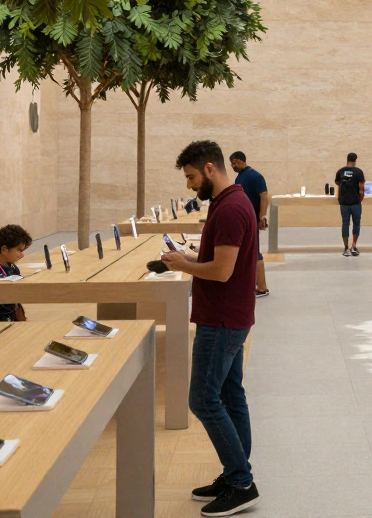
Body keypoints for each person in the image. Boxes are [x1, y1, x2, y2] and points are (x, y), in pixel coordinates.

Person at [160, 140, 260, 517]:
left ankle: (241, 482)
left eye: (190, 177)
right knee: (231, 395)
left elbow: (222, 271)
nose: (189, 186)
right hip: (228, 315)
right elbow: (218, 260)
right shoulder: (227, 203)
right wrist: (188, 258)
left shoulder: (232, 207)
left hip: (221, 320)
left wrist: (183, 266)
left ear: (209, 169)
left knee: (202, 400)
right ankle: (235, 473)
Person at [229, 151, 271, 297]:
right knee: (248, 251)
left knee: (254, 251)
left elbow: (264, 196)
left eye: (234, 162)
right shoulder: (239, 177)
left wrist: (262, 216)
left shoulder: (256, 176)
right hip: (244, 220)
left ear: (241, 161)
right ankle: (251, 285)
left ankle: (262, 287)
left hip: (252, 219)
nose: (232, 166)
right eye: (231, 163)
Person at [0, 224, 32, 321]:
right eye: (19, 250)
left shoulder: (14, 269)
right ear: (4, 249)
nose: (22, 255)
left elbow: (16, 301)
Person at [334, 153, 366, 257]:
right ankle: (354, 246)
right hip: (355, 203)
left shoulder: (341, 171)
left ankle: (345, 248)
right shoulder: (359, 172)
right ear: (355, 160)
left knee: (345, 224)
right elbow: (361, 190)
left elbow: (339, 187)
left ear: (347, 159)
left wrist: (340, 199)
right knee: (356, 224)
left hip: (344, 203)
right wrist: (360, 199)